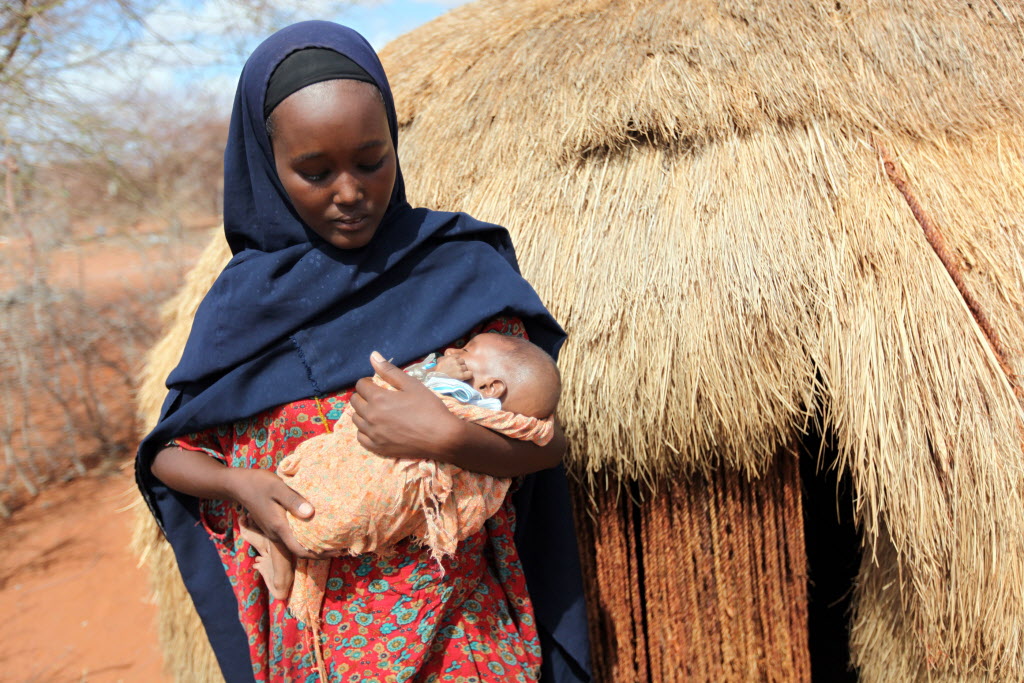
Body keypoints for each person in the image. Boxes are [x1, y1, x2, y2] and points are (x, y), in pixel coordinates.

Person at [134, 20, 590, 683]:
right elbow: (171, 455)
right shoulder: (238, 311)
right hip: (323, 655)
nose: (350, 192)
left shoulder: (456, 271)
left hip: (465, 636)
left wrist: (447, 436)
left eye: (371, 161)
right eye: (314, 172)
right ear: (267, 169)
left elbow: (546, 445)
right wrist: (241, 485)